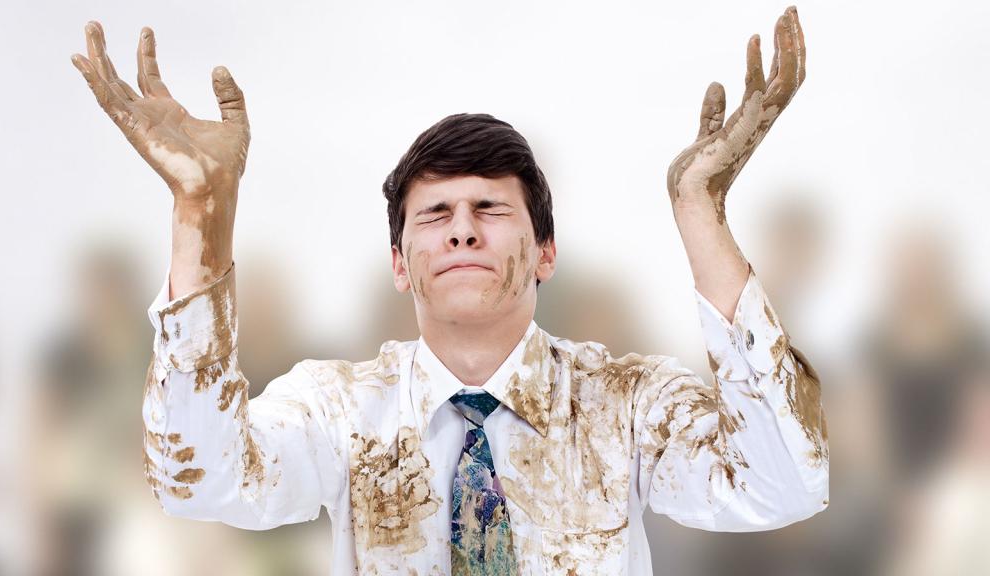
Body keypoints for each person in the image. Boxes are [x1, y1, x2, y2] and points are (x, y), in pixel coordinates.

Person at [70, 5, 829, 574]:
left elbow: (786, 483)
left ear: (546, 253)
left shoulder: (626, 403)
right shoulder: (338, 410)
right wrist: (203, 211)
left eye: (491, 210)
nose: (462, 230)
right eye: (435, 215)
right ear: (400, 264)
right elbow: (195, 480)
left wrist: (701, 207)